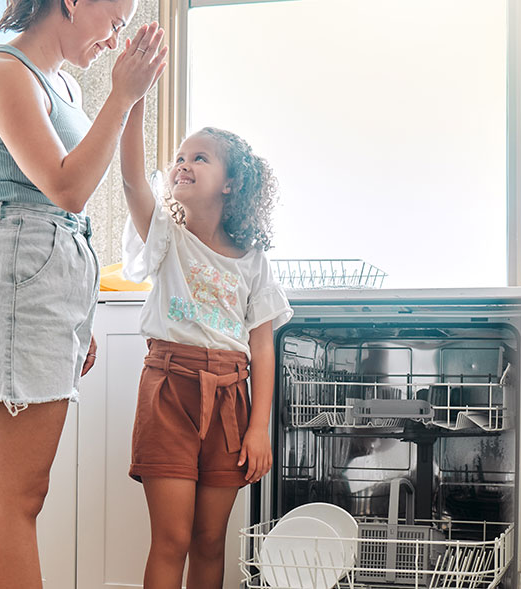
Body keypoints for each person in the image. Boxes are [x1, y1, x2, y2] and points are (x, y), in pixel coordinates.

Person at [0, 1, 166, 587]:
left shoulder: (61, 86)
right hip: (15, 288)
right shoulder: (3, 74)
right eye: (112, 23)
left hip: (35, 291)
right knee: (18, 502)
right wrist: (122, 95)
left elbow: (65, 212)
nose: (113, 41)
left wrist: (79, 316)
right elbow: (66, 188)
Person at [119, 101, 293, 587]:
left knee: (211, 542)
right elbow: (133, 179)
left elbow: (263, 349)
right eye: (179, 156)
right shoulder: (165, 235)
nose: (183, 163)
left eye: (199, 157)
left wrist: (259, 430)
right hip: (170, 390)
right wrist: (134, 103)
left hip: (231, 403)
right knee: (171, 540)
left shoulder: (254, 261)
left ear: (232, 183)